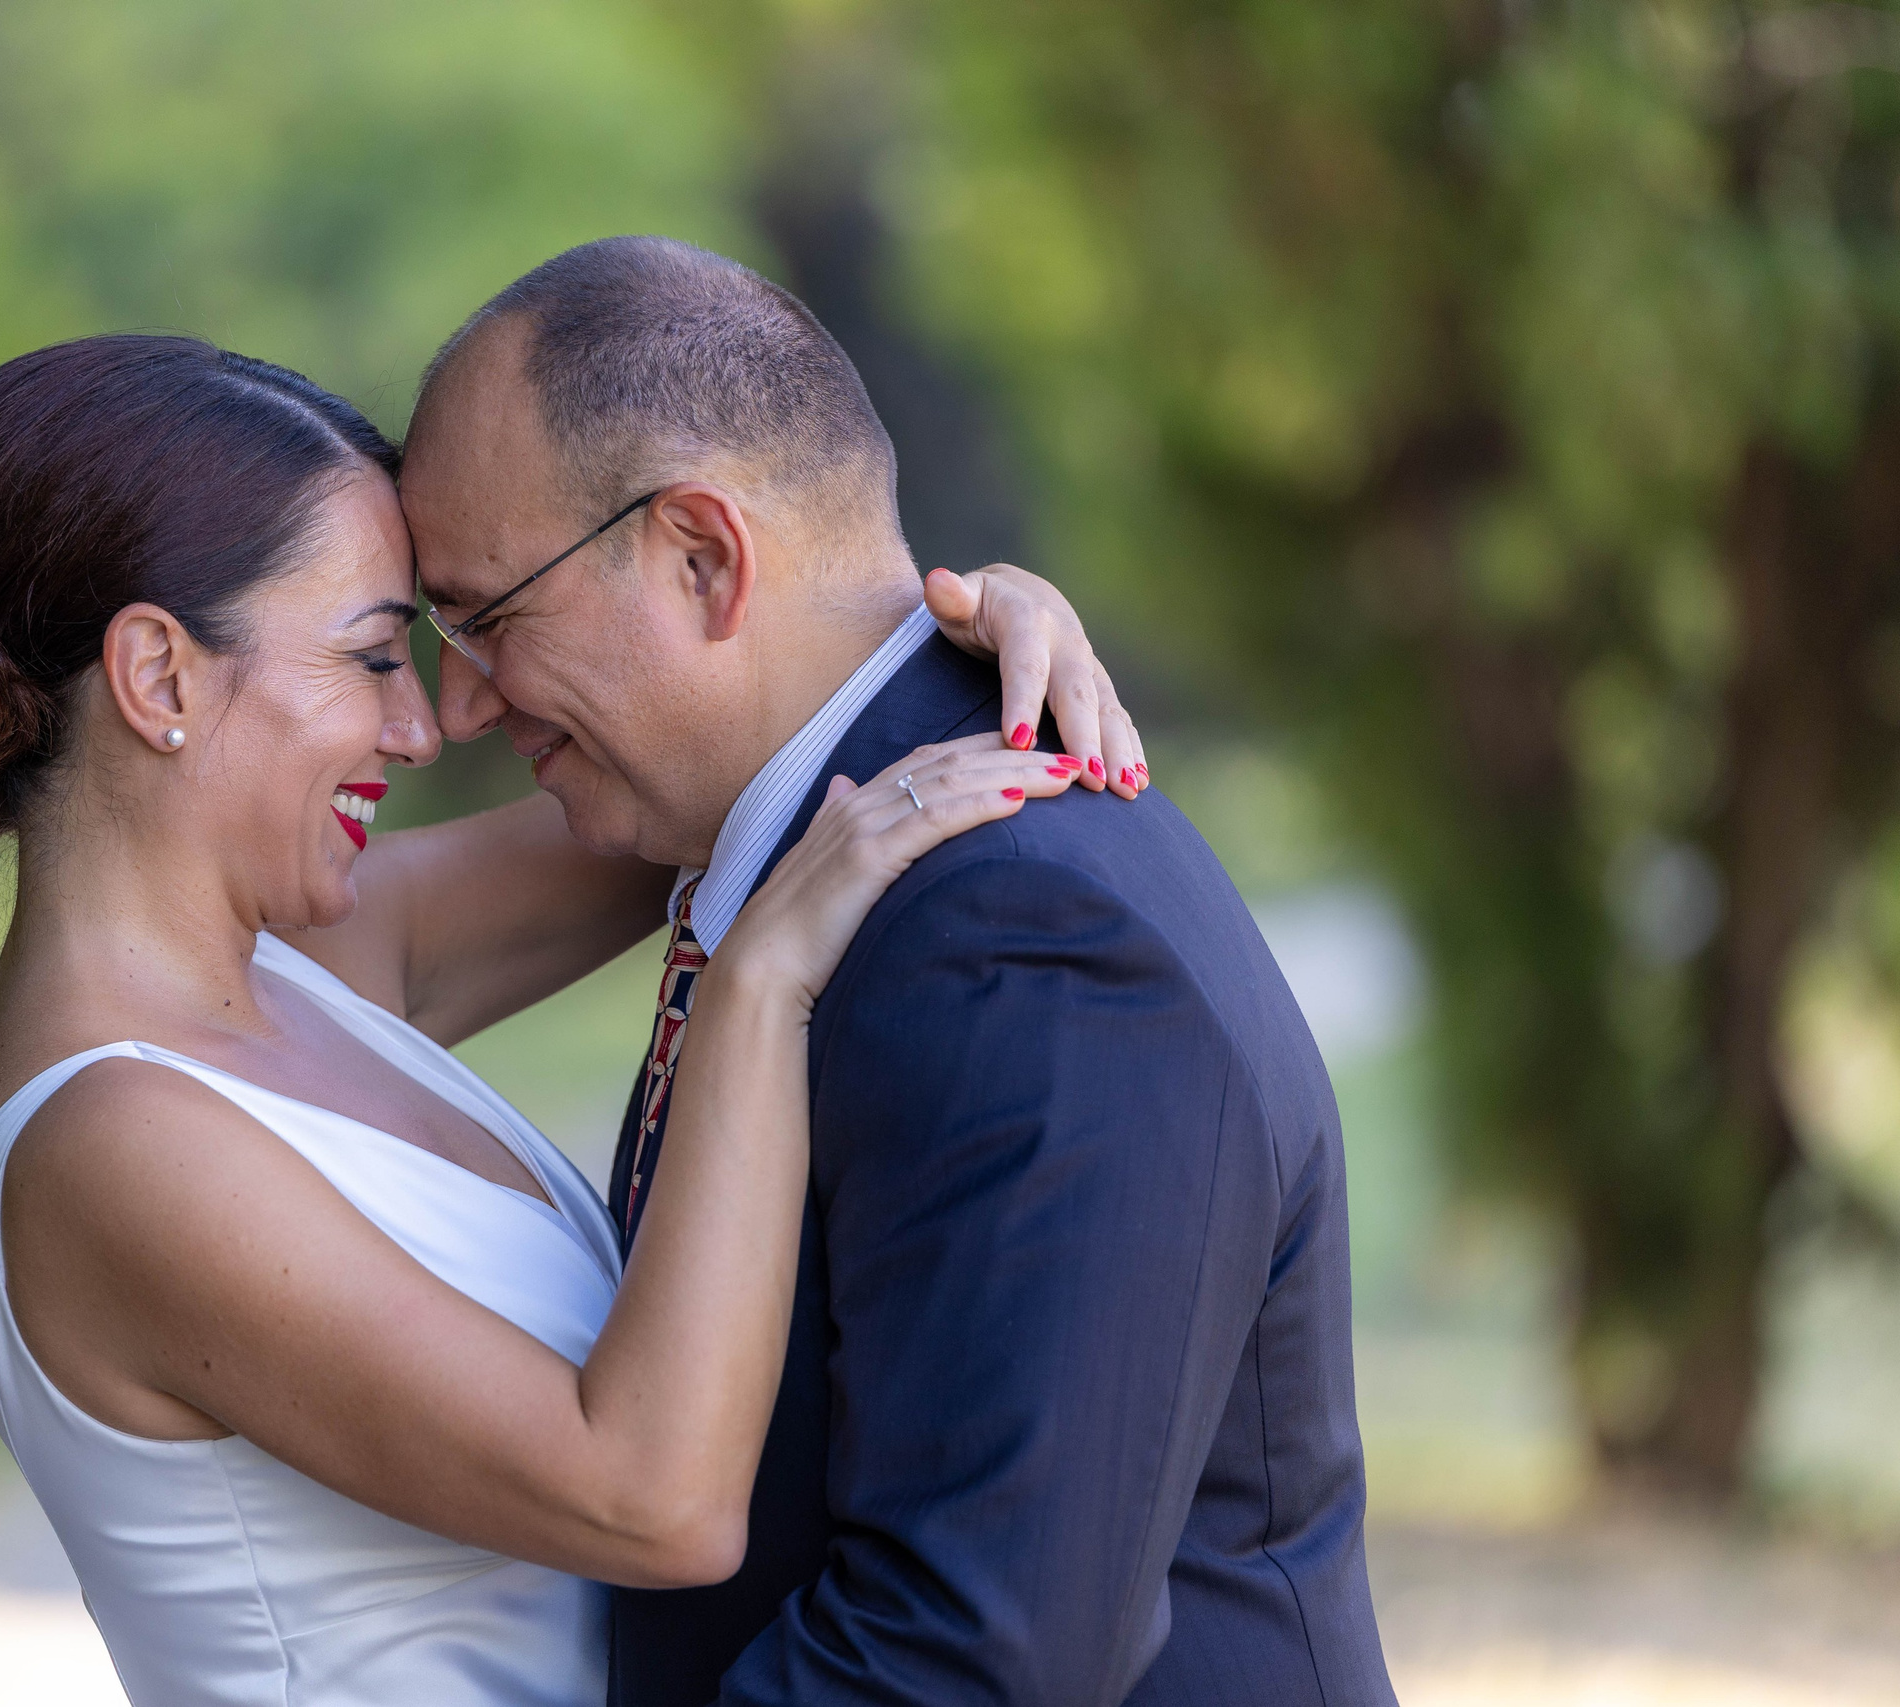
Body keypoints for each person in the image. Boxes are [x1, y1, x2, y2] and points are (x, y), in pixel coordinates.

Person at [0, 332, 1140, 1705]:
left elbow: (721, 754)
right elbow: (654, 1502)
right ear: (159, 678)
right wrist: (754, 989)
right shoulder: (110, 1147)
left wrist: (950, 628)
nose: (423, 725)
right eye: (374, 655)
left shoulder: (313, 961)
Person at [402, 237, 1398, 1706]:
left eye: (485, 618)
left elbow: (966, 1661)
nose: (457, 703)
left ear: (703, 556)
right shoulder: (821, 854)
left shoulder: (1024, 936)